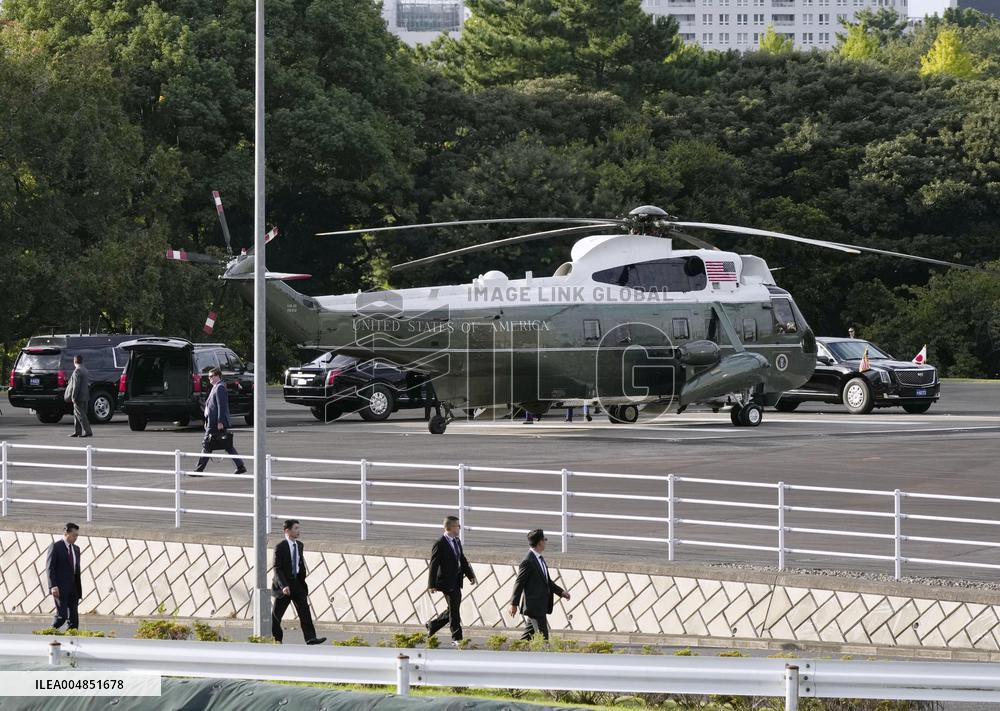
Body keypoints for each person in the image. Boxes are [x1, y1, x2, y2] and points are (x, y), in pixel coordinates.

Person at [271, 519, 326, 645]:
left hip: (298, 584)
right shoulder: (280, 547)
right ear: (287, 531)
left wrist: (302, 578)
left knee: (304, 611)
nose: (298, 531)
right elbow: (277, 568)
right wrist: (284, 585)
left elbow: (299, 563)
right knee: (276, 615)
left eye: (298, 528)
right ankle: (277, 639)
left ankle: (311, 638)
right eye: (295, 528)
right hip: (284, 585)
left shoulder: (299, 545)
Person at [508, 529, 570, 641]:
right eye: (544, 540)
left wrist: (561, 592)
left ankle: (516, 652)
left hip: (540, 605)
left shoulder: (539, 559)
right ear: (540, 542)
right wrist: (513, 604)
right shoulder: (528, 561)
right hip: (534, 606)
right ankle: (544, 658)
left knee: (527, 638)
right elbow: (519, 582)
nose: (545, 542)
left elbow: (547, 581)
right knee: (543, 639)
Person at [426, 515, 476, 645]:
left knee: (453, 608)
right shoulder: (440, 543)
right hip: (446, 582)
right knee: (454, 610)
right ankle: (457, 638)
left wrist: (470, 574)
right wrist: (431, 584)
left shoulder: (457, 541)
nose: (459, 528)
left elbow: (462, 559)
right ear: (449, 527)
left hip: (456, 580)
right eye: (457, 525)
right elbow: (434, 565)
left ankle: (432, 625)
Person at [194, 367, 246, 475]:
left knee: (207, 444)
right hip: (212, 421)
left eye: (211, 376)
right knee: (227, 445)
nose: (209, 378)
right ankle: (240, 466)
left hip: (216, 423)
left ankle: (199, 469)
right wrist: (207, 419)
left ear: (218, 376)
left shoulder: (220, 388)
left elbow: (221, 406)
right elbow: (210, 406)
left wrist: (220, 421)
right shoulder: (215, 387)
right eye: (209, 376)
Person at [47, 523, 83, 630]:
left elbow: (76, 570)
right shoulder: (56, 547)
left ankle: (72, 641)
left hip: (74, 588)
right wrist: (52, 586)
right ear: (66, 533)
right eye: (73, 535)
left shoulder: (76, 549)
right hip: (60, 588)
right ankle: (48, 633)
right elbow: (50, 568)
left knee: (74, 620)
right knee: (62, 616)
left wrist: (77, 589)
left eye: (77, 535)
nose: (75, 538)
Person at [65, 355, 92, 438]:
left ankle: (88, 431)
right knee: (77, 413)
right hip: (85, 395)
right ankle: (77, 431)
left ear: (74, 361)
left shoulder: (77, 371)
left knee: (80, 415)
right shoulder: (85, 370)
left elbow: (76, 385)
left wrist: (73, 396)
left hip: (79, 396)